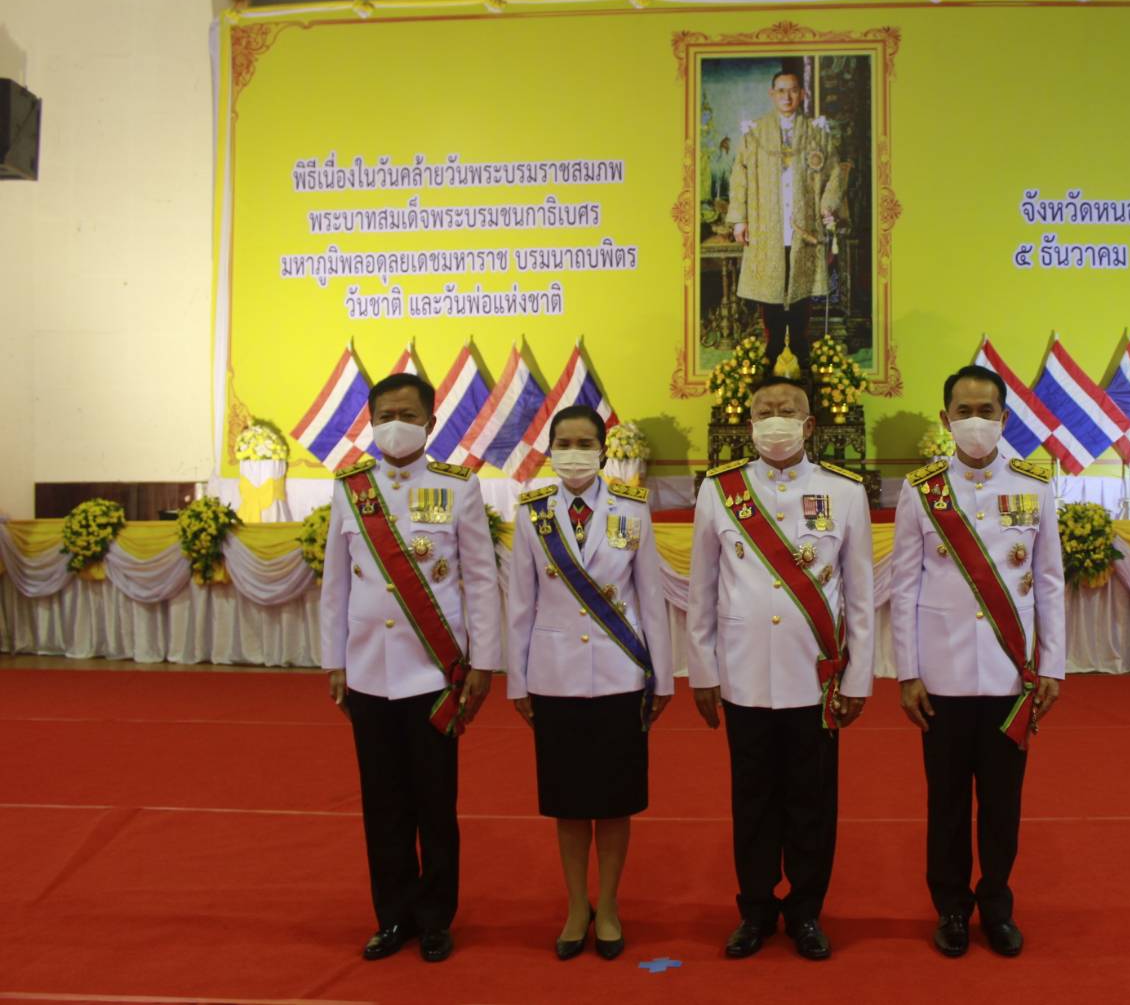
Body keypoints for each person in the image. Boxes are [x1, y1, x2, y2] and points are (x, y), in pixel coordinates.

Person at [687, 376, 874, 961]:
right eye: (765, 411)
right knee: (753, 801)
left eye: (787, 410)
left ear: (809, 424)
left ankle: (807, 912)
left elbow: (861, 597)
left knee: (811, 802)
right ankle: (756, 910)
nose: (776, 420)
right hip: (743, 675)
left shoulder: (844, 492)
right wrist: (703, 672)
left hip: (813, 679)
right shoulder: (720, 490)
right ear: (749, 424)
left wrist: (858, 677)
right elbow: (702, 590)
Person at [320, 372, 502, 963]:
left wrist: (482, 662)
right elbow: (334, 587)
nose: (394, 424)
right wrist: (334, 662)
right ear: (370, 423)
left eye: (407, 413)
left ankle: (434, 918)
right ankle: (391, 916)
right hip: (370, 673)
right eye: (383, 414)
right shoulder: (351, 488)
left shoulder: (458, 487)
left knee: (433, 803)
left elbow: (480, 579)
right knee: (382, 803)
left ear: (429, 420)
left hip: (433, 676)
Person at [888, 364, 1066, 959]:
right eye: (963, 411)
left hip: (1009, 675)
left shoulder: (1035, 486)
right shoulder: (921, 489)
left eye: (985, 411)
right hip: (940, 677)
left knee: (1001, 804)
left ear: (1004, 418)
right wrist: (907, 672)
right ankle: (952, 910)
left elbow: (1048, 584)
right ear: (945, 419)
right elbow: (905, 584)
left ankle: (996, 903)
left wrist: (1053, 667)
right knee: (945, 805)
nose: (974, 422)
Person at [508, 406, 673, 961]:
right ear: (550, 448)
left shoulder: (631, 509)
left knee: (615, 801)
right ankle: (577, 905)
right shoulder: (532, 512)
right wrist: (517, 681)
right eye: (564, 442)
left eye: (584, 442)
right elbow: (520, 603)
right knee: (569, 803)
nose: (574, 451)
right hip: (554, 678)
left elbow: (652, 596)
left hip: (620, 674)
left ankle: (609, 905)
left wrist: (663, 676)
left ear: (603, 449)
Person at [726, 69, 845, 375]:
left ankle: (801, 344)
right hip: (768, 224)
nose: (787, 97)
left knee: (801, 285)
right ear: (772, 94)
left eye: (793, 91)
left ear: (801, 94)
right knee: (771, 287)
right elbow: (739, 177)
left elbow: (835, 173)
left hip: (804, 224)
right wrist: (739, 219)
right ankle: (774, 343)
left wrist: (827, 206)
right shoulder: (754, 133)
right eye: (781, 91)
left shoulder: (817, 133)